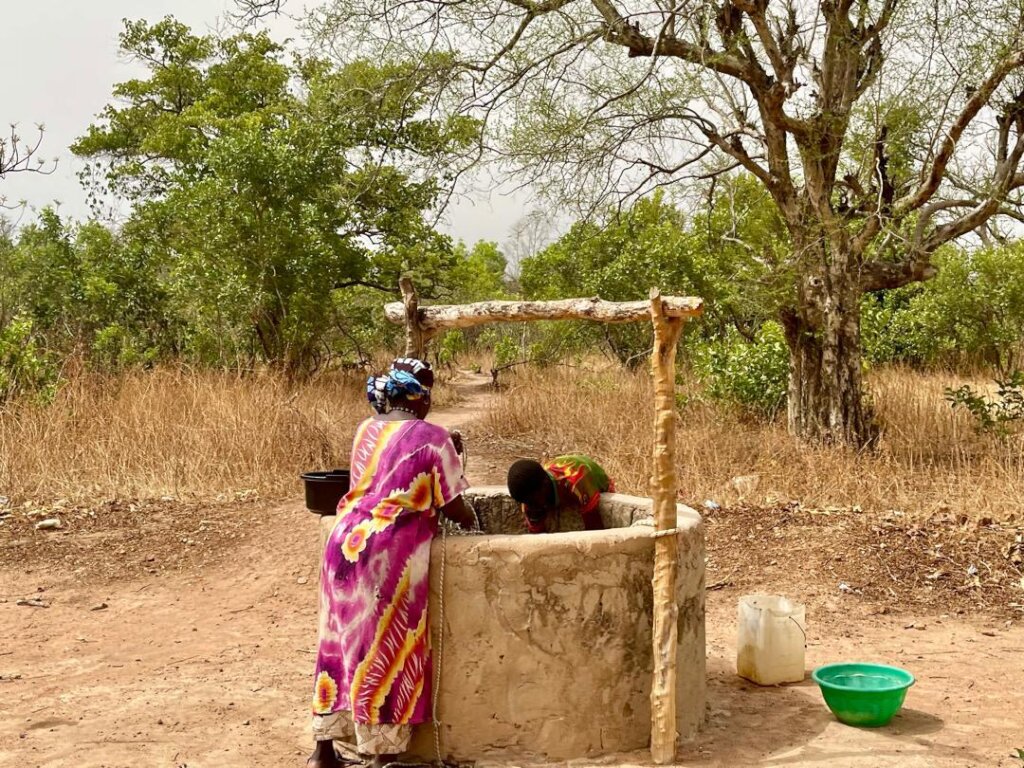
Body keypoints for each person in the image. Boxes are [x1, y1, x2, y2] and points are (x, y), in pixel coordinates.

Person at [308, 357, 474, 768]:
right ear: (421, 397)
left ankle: (324, 752)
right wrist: (477, 524)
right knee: (388, 649)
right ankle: (383, 758)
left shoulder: (366, 429)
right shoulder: (434, 437)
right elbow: (454, 506)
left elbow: (375, 482)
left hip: (344, 543)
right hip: (389, 555)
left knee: (337, 643)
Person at [506, 455, 614, 534]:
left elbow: (595, 532)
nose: (531, 507)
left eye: (533, 502)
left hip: (593, 480)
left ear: (545, 485)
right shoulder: (530, 497)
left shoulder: (576, 483)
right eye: (527, 503)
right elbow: (537, 536)